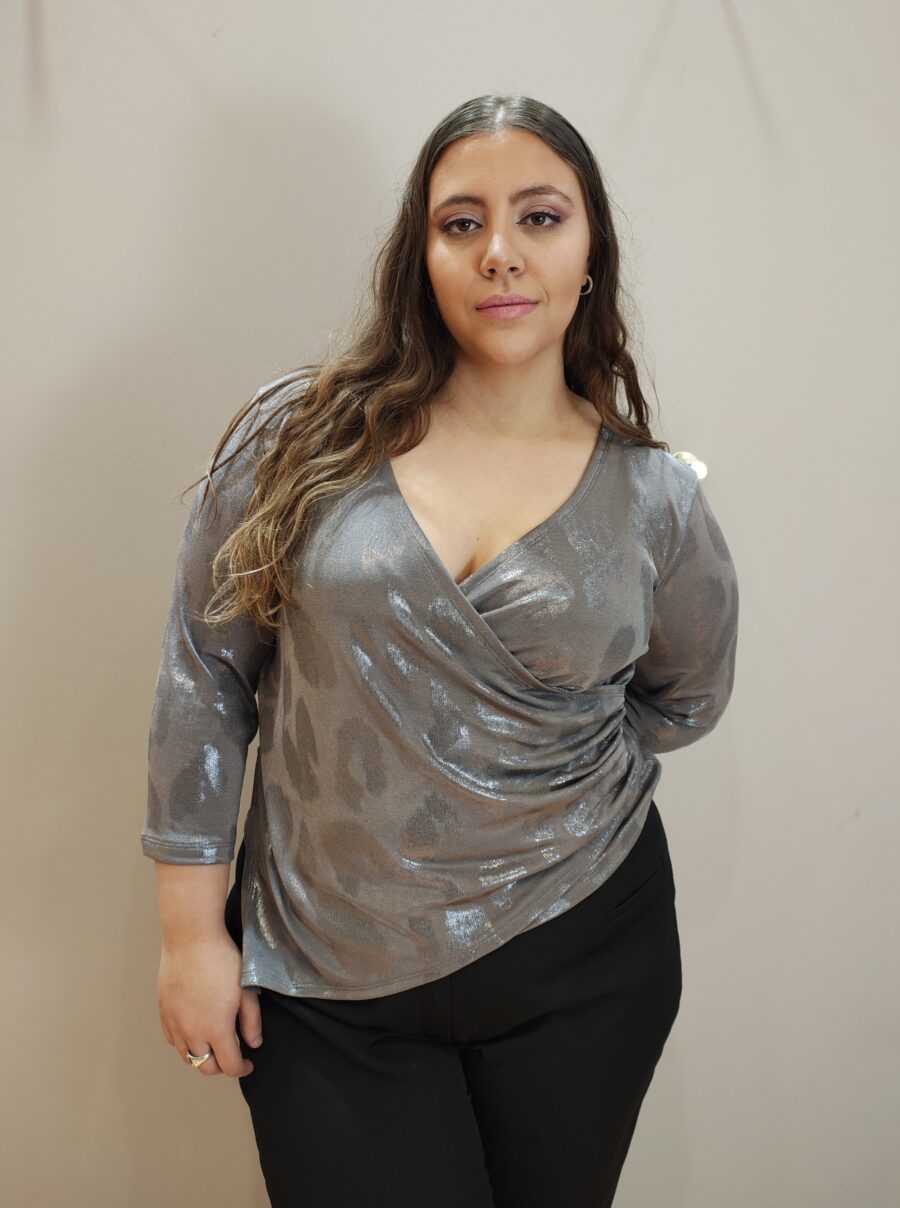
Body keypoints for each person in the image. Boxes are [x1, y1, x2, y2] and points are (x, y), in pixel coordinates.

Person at [141, 93, 739, 1207]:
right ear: (420, 256)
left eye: (540, 217)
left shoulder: (655, 495)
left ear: (591, 253)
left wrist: (512, 773)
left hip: (584, 958)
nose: (500, 250)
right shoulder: (298, 439)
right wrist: (189, 936)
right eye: (462, 222)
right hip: (324, 967)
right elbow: (206, 675)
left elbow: (685, 695)